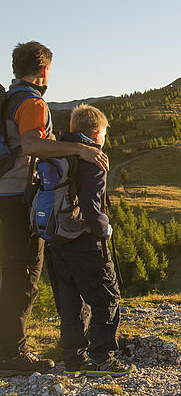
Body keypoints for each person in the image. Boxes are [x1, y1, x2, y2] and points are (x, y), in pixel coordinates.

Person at [0, 42, 108, 376]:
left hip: (4, 193)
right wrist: (80, 150)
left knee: (11, 271)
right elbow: (32, 144)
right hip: (16, 196)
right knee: (25, 274)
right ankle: (11, 355)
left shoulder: (7, 99)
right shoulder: (31, 102)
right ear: (45, 68)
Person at [49, 104, 127, 376]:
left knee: (70, 303)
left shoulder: (57, 151)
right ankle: (101, 359)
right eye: (104, 132)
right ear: (96, 133)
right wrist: (103, 229)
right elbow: (90, 203)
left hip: (57, 240)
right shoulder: (94, 158)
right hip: (85, 241)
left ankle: (73, 359)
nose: (105, 138)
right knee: (106, 299)